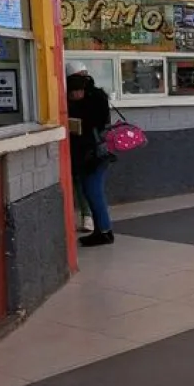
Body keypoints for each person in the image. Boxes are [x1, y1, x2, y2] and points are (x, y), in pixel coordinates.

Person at [67, 72, 114, 247]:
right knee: (91, 192)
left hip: (95, 154)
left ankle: (104, 232)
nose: (73, 96)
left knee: (94, 192)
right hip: (95, 154)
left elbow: (90, 125)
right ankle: (102, 230)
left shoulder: (91, 104)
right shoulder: (95, 100)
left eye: (76, 92)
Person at [65, 62, 94, 233]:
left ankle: (89, 215)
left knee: (88, 183)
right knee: (79, 182)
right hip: (74, 146)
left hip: (89, 146)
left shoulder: (94, 96)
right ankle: (87, 215)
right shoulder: (66, 98)